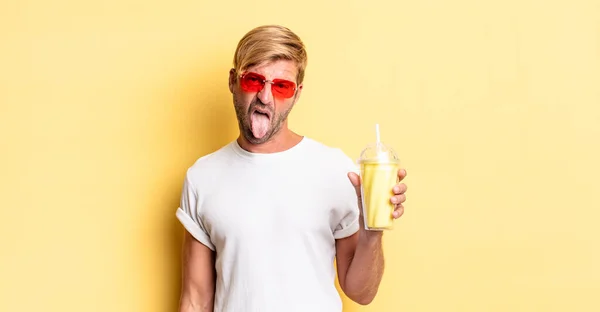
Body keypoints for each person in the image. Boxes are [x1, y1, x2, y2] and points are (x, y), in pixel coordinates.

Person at [175, 25, 408, 312]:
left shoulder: (335, 170)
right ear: (233, 81)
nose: (265, 97)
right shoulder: (202, 177)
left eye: (281, 86)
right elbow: (195, 300)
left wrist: (372, 230)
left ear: (296, 94)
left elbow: (361, 293)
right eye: (254, 80)